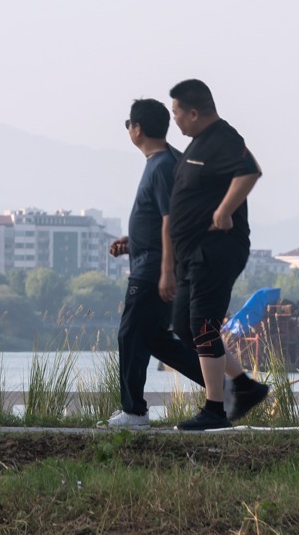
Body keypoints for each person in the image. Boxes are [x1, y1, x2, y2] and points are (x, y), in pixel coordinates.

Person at [162, 78, 269, 431]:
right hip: (192, 252)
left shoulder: (223, 138)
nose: (173, 119)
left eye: (176, 112)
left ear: (194, 113)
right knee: (184, 325)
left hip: (217, 248)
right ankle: (244, 385)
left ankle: (214, 411)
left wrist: (225, 210)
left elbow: (250, 171)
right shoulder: (197, 145)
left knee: (203, 325)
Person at [105, 98, 205, 427]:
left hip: (153, 272)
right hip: (152, 262)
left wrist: (164, 272)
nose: (129, 130)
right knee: (157, 340)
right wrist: (133, 243)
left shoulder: (161, 165)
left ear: (138, 129)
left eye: (129, 124)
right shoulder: (165, 161)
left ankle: (134, 412)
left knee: (130, 336)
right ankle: (225, 389)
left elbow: (170, 220)